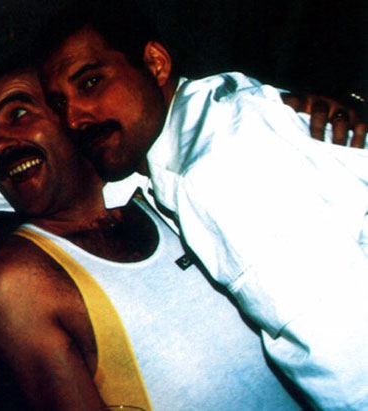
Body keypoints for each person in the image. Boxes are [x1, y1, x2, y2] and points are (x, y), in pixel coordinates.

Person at [35, 1, 368, 409]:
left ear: (156, 64)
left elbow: (344, 353)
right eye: (59, 104)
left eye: (90, 83)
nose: (74, 118)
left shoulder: (215, 170)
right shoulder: (209, 109)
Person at [0, 65, 309, 410]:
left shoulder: (164, 191)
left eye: (18, 114)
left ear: (71, 120)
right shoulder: (20, 280)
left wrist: (306, 117)